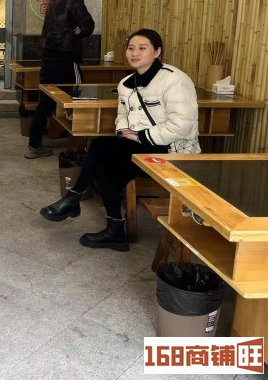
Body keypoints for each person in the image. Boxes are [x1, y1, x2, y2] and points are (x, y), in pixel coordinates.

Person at [39, 29, 200, 251]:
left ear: (157, 52)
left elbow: (182, 125)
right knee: (103, 160)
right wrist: (124, 131)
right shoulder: (126, 84)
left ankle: (78, 202)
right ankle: (111, 228)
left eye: (142, 48)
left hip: (173, 152)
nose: (135, 53)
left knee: (100, 150)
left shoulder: (175, 80)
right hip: (140, 148)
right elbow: (122, 115)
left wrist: (140, 136)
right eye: (131, 48)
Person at [26, 0, 96, 159]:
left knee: (46, 101)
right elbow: (88, 24)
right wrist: (80, 30)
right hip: (66, 56)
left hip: (49, 54)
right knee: (77, 97)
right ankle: (77, 147)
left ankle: (34, 144)